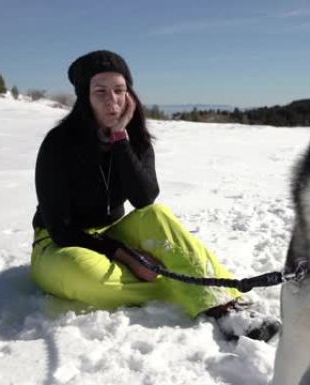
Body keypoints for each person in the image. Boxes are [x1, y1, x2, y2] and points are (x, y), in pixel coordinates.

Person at [30, 50, 279, 342]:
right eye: (100, 92)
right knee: (79, 272)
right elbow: (61, 229)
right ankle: (188, 284)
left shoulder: (134, 140)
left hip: (112, 231)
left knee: (158, 215)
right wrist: (126, 255)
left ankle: (227, 307)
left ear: (130, 94)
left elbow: (144, 199)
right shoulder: (58, 144)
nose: (112, 101)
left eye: (119, 90)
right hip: (59, 244)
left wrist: (120, 139)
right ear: (85, 97)